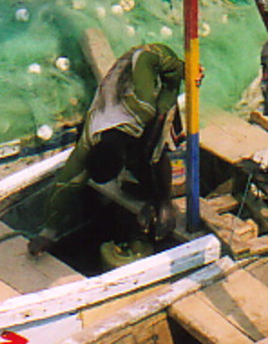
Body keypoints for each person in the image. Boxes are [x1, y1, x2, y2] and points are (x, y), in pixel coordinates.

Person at [29, 43, 182, 258]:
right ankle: (146, 186)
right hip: (119, 92)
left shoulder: (143, 107)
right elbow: (65, 185)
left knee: (152, 153)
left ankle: (164, 201)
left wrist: (176, 80)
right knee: (142, 158)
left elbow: (146, 55)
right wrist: (48, 232)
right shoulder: (91, 137)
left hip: (156, 65)